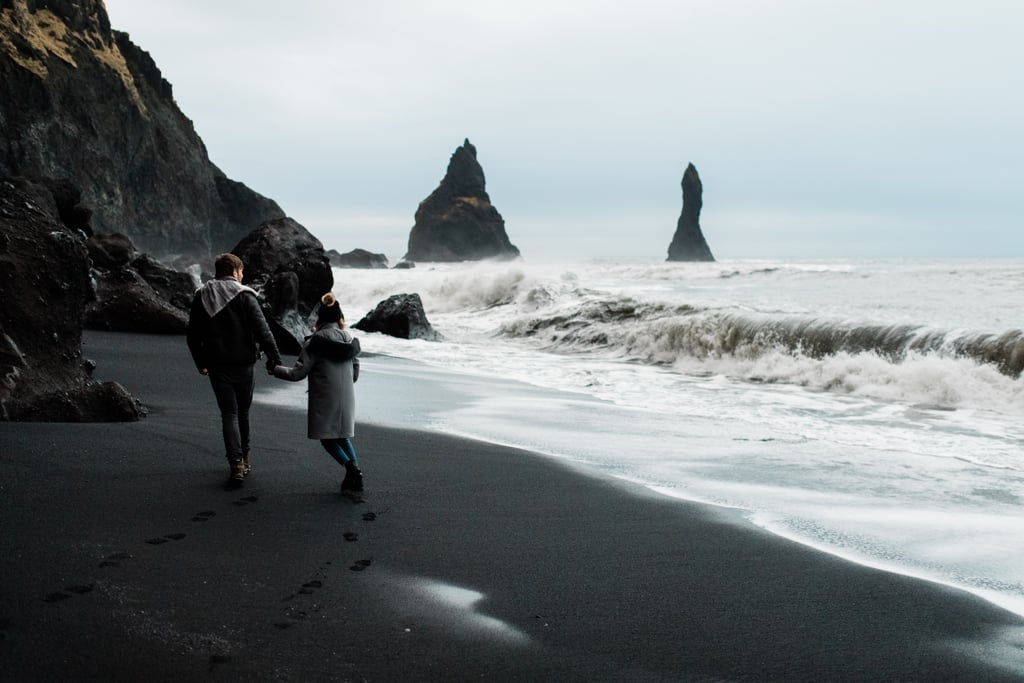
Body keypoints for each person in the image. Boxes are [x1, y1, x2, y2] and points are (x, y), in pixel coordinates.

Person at [186, 253, 281, 488]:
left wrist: (201, 362)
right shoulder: (245, 295)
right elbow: (263, 331)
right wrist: (274, 359)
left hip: (217, 364)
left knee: (229, 414)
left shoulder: (202, 295)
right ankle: (246, 458)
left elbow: (192, 336)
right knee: (243, 413)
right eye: (242, 272)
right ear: (236, 271)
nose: (243, 276)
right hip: (244, 364)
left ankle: (236, 464)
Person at [272, 292, 363, 493]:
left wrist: (275, 369)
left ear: (320, 318)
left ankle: (352, 470)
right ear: (339, 318)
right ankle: (356, 474)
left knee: (327, 439)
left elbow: (297, 373)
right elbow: (355, 373)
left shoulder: (315, 342)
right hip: (346, 398)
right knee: (342, 437)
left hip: (325, 397)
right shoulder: (349, 340)